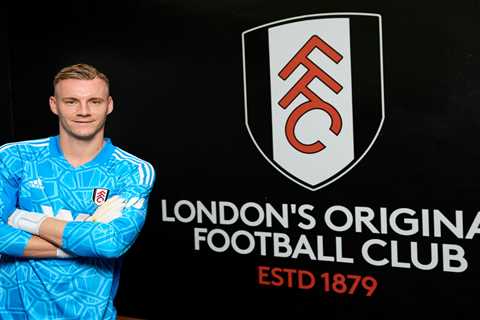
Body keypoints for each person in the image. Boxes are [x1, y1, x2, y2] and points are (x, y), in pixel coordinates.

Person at [0, 63, 155, 319]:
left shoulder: (132, 170)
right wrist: (85, 235)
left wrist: (20, 219)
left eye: (94, 101)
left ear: (109, 105)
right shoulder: (15, 157)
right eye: (71, 101)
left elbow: (109, 243)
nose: (83, 111)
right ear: (54, 104)